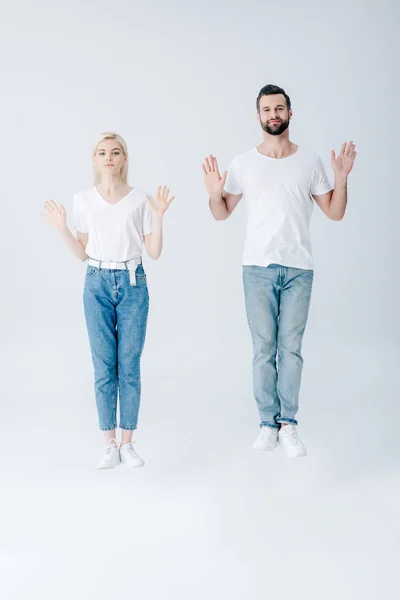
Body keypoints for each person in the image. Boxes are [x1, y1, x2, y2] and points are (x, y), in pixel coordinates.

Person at [202, 84, 356, 458]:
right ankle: (266, 424)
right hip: (256, 267)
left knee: (291, 349)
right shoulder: (243, 163)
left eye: (279, 108)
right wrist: (212, 191)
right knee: (263, 349)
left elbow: (334, 213)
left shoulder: (310, 162)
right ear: (258, 117)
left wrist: (342, 177)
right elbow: (222, 212)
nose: (273, 114)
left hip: (299, 267)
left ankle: (288, 424)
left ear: (290, 113)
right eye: (267, 109)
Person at [42, 132, 174, 469]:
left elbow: (154, 252)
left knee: (128, 366)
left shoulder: (141, 199)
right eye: (102, 152)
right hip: (97, 283)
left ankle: (128, 443)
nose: (109, 157)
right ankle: (109, 442)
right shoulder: (83, 199)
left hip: (133, 282)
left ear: (124, 159)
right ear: (94, 159)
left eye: (115, 152)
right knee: (104, 367)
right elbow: (81, 254)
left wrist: (158, 216)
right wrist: (62, 229)